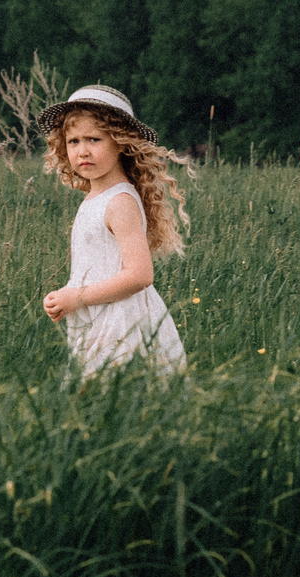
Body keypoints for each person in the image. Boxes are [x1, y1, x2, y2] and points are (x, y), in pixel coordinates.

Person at [39, 85, 189, 375]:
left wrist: (75, 297)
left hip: (121, 322)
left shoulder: (119, 201)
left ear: (120, 142)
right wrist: (65, 295)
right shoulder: (95, 198)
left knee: (123, 395)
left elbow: (140, 275)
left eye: (94, 139)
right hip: (99, 316)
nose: (82, 151)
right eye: (73, 141)